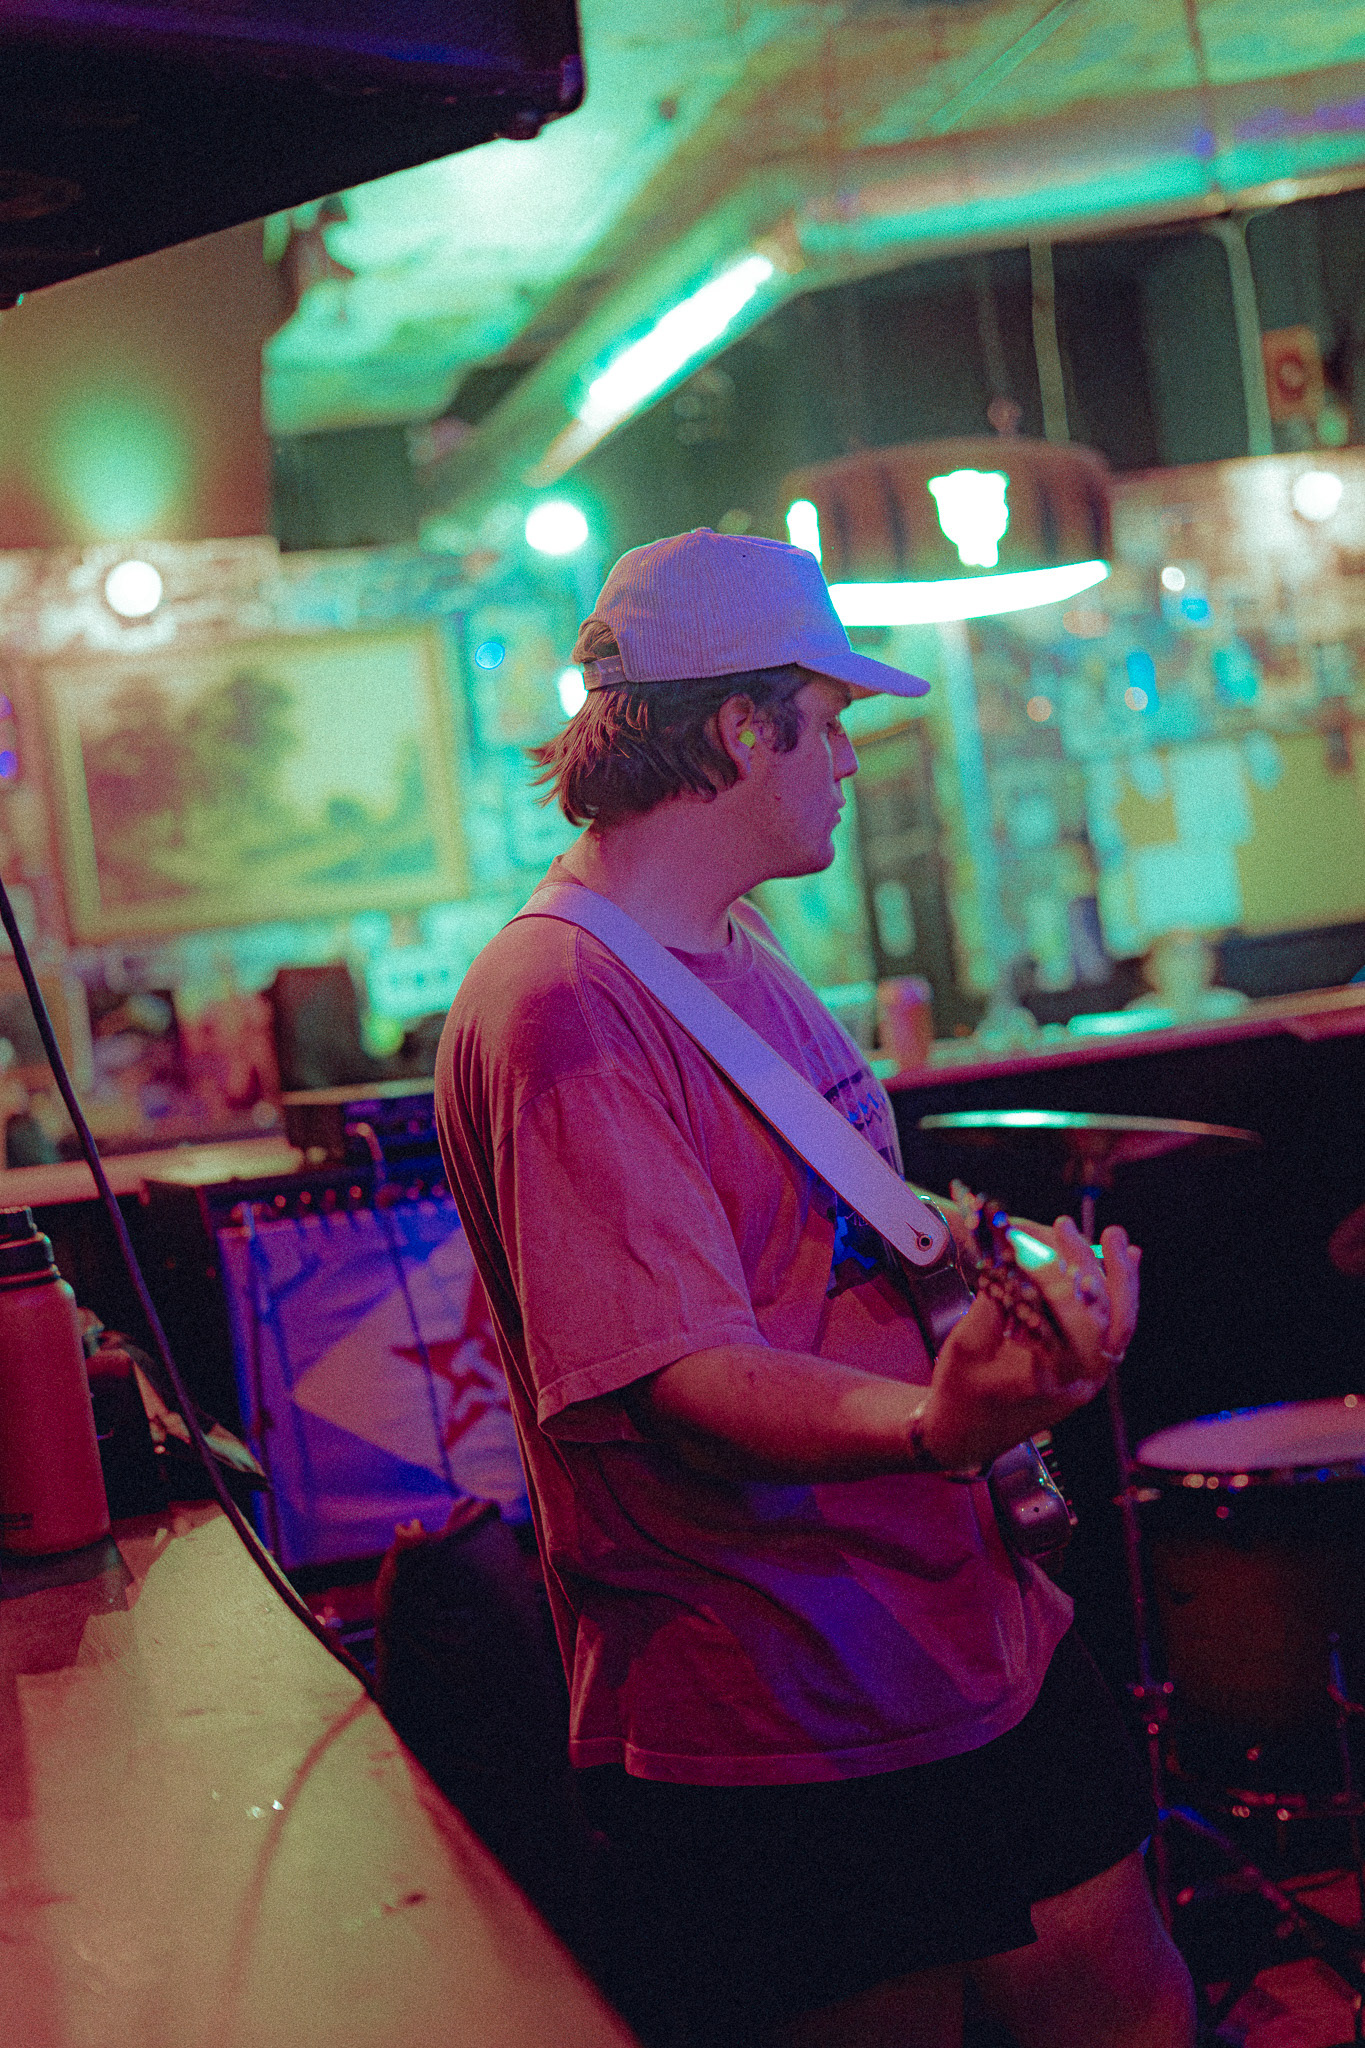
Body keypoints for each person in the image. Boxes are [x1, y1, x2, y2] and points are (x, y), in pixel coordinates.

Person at [435, 529, 1194, 2048]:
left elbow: (812, 1244)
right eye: (829, 718)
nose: (849, 756)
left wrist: (1003, 1296)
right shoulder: (562, 1003)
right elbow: (680, 1377)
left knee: (1130, 2004)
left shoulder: (729, 947)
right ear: (741, 726)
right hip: (782, 1694)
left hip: (953, 1629)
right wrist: (932, 1426)